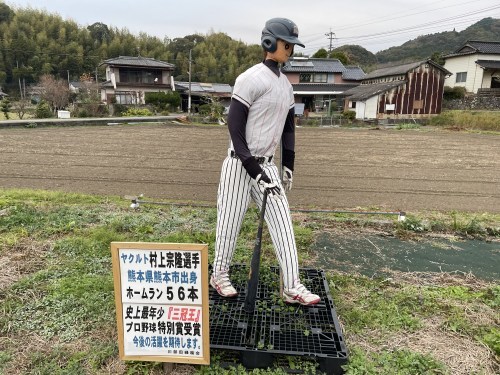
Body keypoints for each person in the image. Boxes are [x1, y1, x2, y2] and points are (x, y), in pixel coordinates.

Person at [210, 17, 320, 306]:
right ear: (270, 42)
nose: (290, 50)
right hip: (239, 163)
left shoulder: (286, 86)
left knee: (283, 220)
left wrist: (288, 164)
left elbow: (288, 128)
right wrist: (250, 166)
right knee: (229, 222)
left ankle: (292, 286)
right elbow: (234, 126)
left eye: (292, 45)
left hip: (266, 164)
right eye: (287, 44)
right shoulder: (250, 78)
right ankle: (219, 274)